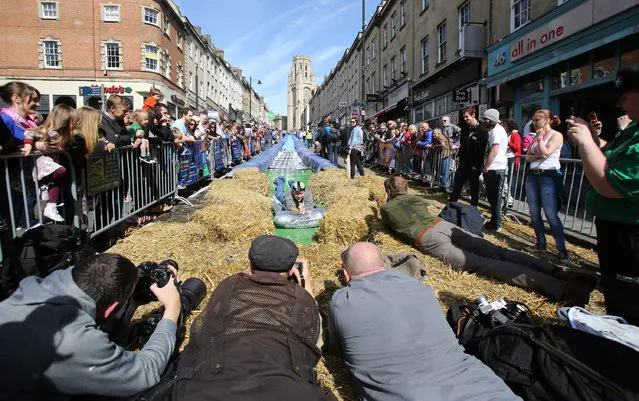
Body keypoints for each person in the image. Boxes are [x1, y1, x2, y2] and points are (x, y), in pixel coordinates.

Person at [328, 242, 519, 401]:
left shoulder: (340, 302)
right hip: (483, 388)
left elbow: (336, 348)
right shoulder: (421, 288)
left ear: (345, 275)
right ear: (384, 265)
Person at [381, 176, 593, 304]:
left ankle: (562, 290)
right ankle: (560, 273)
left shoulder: (386, 208)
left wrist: (387, 199)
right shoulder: (417, 199)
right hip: (444, 226)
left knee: (484, 265)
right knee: (499, 252)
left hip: (427, 237)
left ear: (389, 191)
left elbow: (393, 223)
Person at [173, 235, 336, 400]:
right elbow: (314, 339)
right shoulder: (302, 298)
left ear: (251, 265)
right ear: (290, 269)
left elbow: (205, 330)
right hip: (287, 388)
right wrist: (305, 282)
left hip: (209, 386)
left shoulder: (230, 284)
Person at [0, 253, 181, 399]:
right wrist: (173, 307)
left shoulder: (32, 289)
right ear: (111, 309)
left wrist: (131, 302)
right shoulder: (75, 341)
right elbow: (146, 371)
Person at [566, 68, 639, 325]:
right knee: (616, 294)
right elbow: (610, 156)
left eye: (624, 97)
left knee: (629, 305)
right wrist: (594, 138)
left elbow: (609, 184)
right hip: (616, 230)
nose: (619, 105)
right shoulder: (634, 130)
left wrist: (585, 142)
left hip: (631, 236)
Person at [525, 109, 569, 263]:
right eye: (534, 119)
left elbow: (544, 153)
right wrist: (537, 146)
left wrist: (540, 139)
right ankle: (540, 242)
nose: (534, 122)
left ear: (547, 120)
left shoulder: (556, 135)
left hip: (548, 176)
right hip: (533, 176)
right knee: (534, 212)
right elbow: (528, 156)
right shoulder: (536, 135)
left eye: (537, 119)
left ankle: (562, 249)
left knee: (550, 213)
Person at [22, 104, 78, 222]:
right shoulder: (48, 131)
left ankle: (51, 205)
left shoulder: (63, 135)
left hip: (53, 160)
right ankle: (43, 185)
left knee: (57, 182)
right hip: (44, 162)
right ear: (64, 121)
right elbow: (29, 132)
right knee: (60, 171)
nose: (75, 124)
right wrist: (29, 145)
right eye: (73, 122)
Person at [449, 106, 489, 207]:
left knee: (474, 190)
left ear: (473, 115)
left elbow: (482, 150)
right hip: (463, 163)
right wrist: (458, 157)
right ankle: (451, 206)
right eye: (464, 117)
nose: (465, 119)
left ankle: (473, 210)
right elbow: (462, 145)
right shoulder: (465, 129)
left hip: (475, 165)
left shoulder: (483, 130)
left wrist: (477, 165)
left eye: (467, 117)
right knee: (457, 186)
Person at [481, 109, 508, 231]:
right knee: (492, 197)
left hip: (495, 168)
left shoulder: (497, 131)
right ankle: (494, 221)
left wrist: (486, 166)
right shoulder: (496, 130)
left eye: (486, 119)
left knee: (495, 197)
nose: (484, 121)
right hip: (495, 167)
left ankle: (497, 224)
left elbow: (494, 150)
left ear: (492, 119)